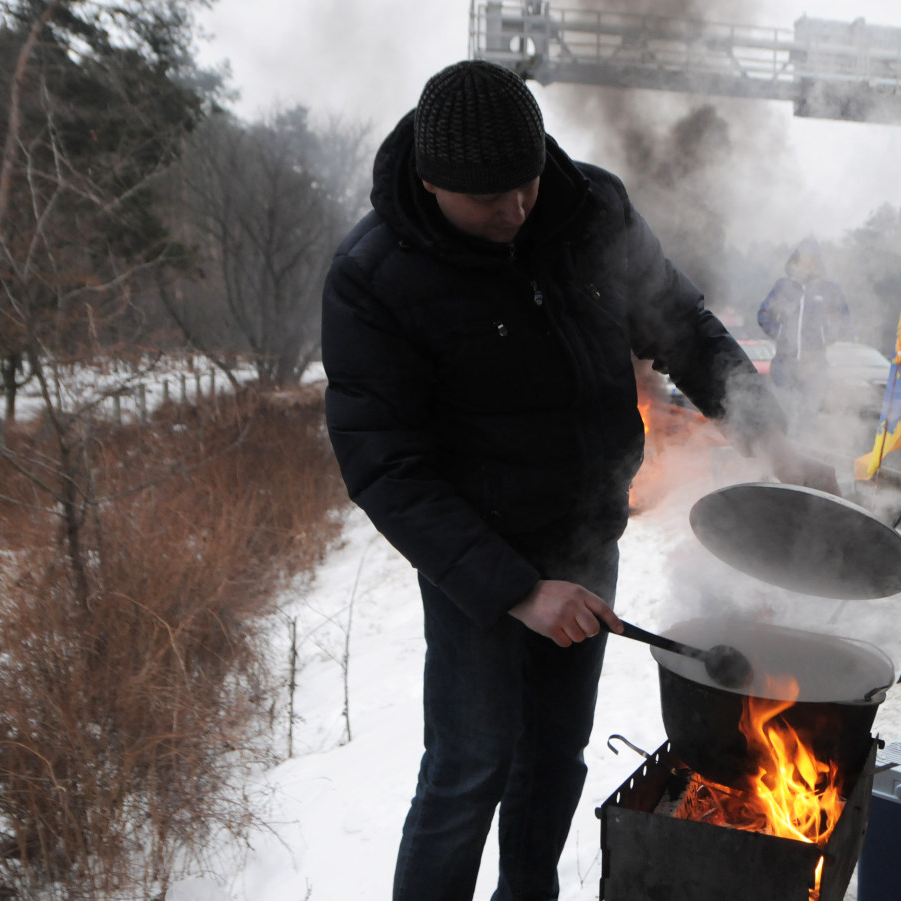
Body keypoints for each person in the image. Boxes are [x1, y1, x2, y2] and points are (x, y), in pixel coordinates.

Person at [320, 60, 838, 901]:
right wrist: (519, 589)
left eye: (523, 183)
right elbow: (385, 465)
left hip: (588, 532)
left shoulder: (589, 209)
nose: (514, 209)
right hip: (476, 559)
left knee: (555, 755)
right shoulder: (375, 276)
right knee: (470, 763)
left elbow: (684, 328)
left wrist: (769, 432)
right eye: (487, 197)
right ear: (429, 181)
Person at [756, 237, 851, 436]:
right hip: (785, 363)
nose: (807, 263)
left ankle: (807, 455)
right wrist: (781, 333)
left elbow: (843, 318)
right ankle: (781, 457)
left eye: (812, 259)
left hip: (815, 364)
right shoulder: (783, 287)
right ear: (795, 262)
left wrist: (826, 337)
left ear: (818, 262)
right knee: (782, 412)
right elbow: (763, 315)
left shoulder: (829, 290)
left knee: (809, 415)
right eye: (803, 259)